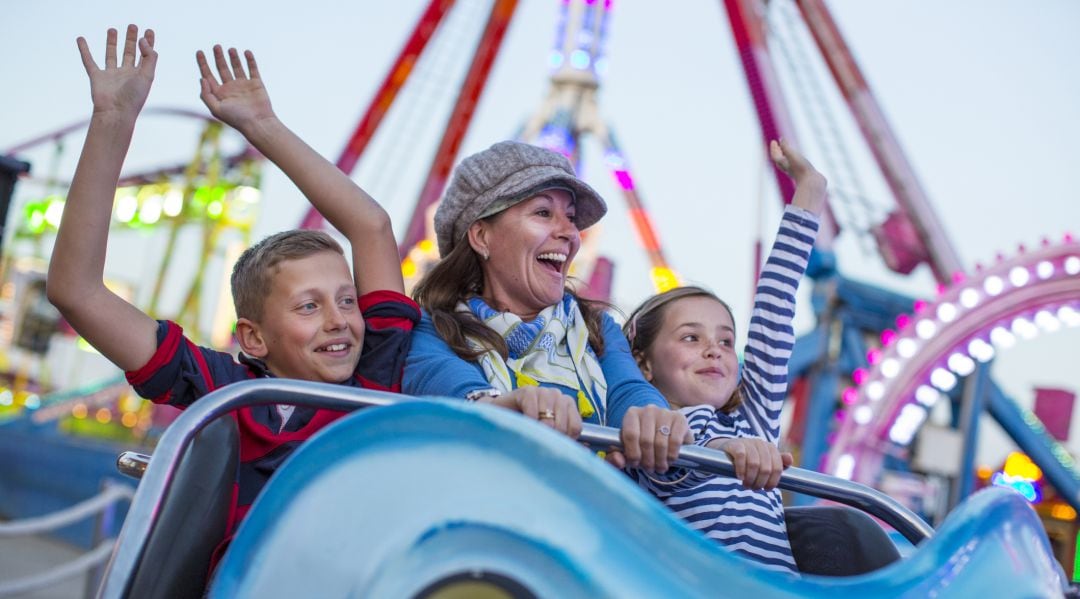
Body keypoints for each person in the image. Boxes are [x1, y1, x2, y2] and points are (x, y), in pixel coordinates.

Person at [46, 26, 419, 565]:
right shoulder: (226, 391)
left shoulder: (376, 374)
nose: (340, 320)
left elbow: (372, 228)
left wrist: (262, 125)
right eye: (309, 307)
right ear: (253, 337)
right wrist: (112, 121)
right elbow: (76, 291)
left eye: (347, 300)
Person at [403, 140, 689, 472]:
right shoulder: (431, 328)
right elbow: (454, 390)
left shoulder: (597, 328)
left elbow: (628, 390)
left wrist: (652, 416)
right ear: (481, 237)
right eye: (543, 213)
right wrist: (512, 405)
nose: (570, 232)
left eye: (570, 218)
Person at [621, 139, 824, 573]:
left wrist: (809, 191)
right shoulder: (649, 426)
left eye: (727, 341)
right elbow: (678, 458)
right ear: (644, 363)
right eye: (691, 339)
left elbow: (774, 307)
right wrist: (724, 449)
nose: (714, 349)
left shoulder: (755, 422)